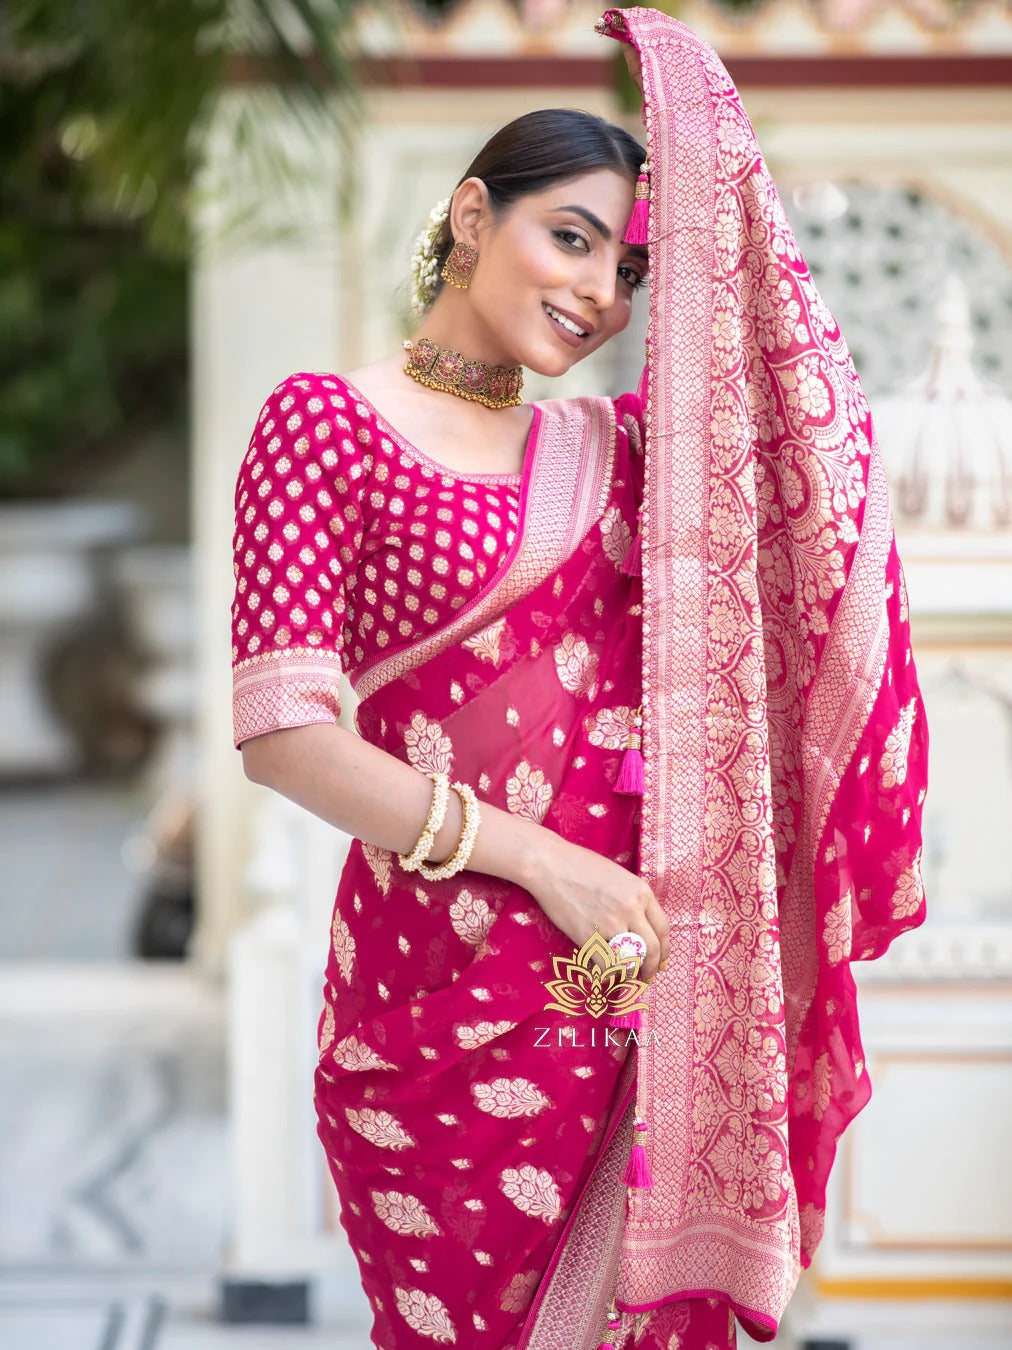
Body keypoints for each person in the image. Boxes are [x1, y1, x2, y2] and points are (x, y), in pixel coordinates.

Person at [230, 7, 928, 1348]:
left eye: (631, 270)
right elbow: (283, 733)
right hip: (434, 998)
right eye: (573, 236)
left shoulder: (633, 460)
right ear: (472, 213)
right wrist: (550, 865)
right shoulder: (327, 423)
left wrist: (711, 134)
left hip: (635, 998)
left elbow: (797, 415)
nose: (603, 293)